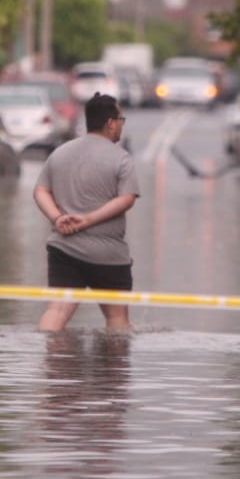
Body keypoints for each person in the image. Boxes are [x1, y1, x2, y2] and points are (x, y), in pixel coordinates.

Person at [33, 92, 139, 332]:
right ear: (110, 123)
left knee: (56, 311)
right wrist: (88, 219)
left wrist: (57, 218)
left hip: (64, 250)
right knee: (117, 318)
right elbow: (127, 199)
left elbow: (40, 191)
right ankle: (114, 358)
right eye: (120, 119)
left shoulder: (60, 153)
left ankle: (48, 354)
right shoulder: (122, 159)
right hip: (108, 255)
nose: (121, 125)